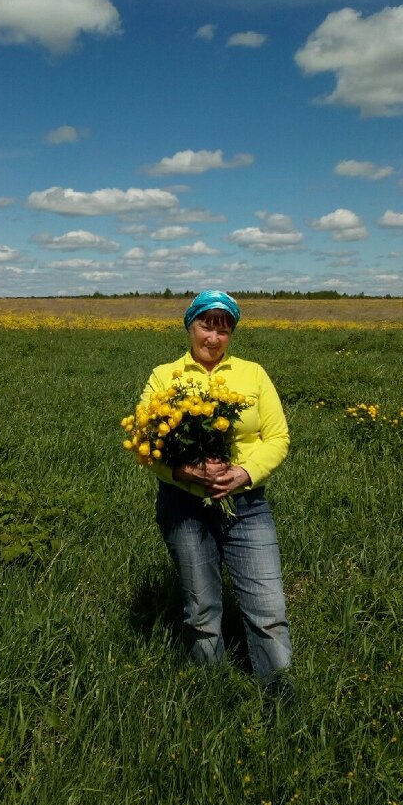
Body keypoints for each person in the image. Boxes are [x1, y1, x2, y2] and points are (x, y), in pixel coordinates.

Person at [140, 290, 292, 690]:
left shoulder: (253, 374)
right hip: (184, 505)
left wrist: (244, 472)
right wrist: (188, 472)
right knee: (201, 609)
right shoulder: (164, 376)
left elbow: (278, 438)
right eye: (206, 326)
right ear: (190, 326)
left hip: (248, 504)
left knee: (269, 608)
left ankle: (279, 696)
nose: (213, 337)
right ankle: (215, 694)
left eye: (224, 330)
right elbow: (147, 443)